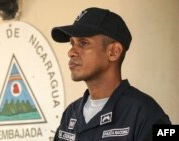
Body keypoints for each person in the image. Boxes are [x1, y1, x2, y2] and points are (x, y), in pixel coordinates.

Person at [51, 7, 171, 141]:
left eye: (83, 43)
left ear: (114, 52)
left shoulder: (147, 112)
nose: (71, 52)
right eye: (72, 43)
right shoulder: (70, 114)